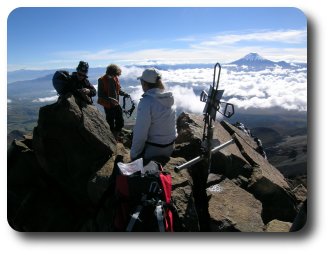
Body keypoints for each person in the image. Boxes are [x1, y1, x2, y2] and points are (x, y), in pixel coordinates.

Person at [130, 68, 177, 163]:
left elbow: (140, 134)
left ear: (145, 84)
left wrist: (134, 156)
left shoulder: (147, 102)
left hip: (154, 151)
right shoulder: (168, 98)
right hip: (169, 148)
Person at [97, 64, 129, 133]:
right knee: (110, 121)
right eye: (114, 75)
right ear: (110, 73)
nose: (115, 76)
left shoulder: (115, 78)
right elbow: (100, 94)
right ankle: (111, 135)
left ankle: (118, 132)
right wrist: (111, 99)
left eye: (116, 75)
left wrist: (125, 94)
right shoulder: (101, 80)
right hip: (108, 105)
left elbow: (118, 90)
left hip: (115, 103)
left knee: (120, 119)